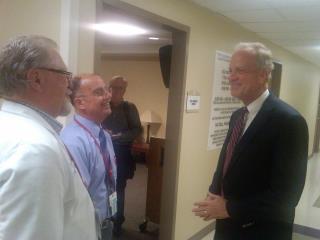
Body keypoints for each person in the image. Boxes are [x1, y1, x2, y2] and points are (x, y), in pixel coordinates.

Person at [193, 42, 309, 240]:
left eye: (240, 70)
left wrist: (229, 208)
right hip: (227, 226)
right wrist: (214, 193)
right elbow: (227, 161)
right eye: (230, 71)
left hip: (260, 230)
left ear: (263, 75)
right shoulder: (238, 115)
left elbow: (287, 198)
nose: (231, 77)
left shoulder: (289, 121)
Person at [0, 35, 97, 239]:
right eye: (64, 74)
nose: (70, 85)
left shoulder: (11, 126)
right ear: (36, 79)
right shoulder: (34, 150)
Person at [60, 74, 117, 240]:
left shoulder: (103, 135)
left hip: (105, 220)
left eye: (107, 90)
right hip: (87, 229)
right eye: (99, 92)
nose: (108, 95)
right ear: (80, 103)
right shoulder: (73, 142)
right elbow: (78, 197)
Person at [102, 75, 142, 236]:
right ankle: (105, 220)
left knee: (118, 189)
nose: (115, 91)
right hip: (103, 152)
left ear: (124, 90)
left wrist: (119, 136)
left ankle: (118, 222)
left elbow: (137, 129)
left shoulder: (129, 108)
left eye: (119, 88)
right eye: (112, 87)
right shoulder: (103, 105)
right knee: (103, 186)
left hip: (121, 153)